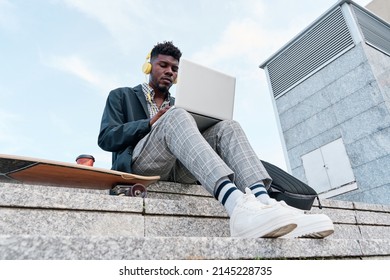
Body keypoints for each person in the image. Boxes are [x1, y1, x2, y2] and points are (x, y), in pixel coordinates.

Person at [98, 41, 334, 239]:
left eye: (175, 68)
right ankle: (237, 208)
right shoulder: (122, 96)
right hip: (142, 165)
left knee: (227, 126)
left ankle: (265, 204)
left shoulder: (178, 104)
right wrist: (150, 123)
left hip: (180, 167)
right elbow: (106, 138)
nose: (170, 71)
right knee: (176, 115)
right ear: (149, 66)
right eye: (163, 65)